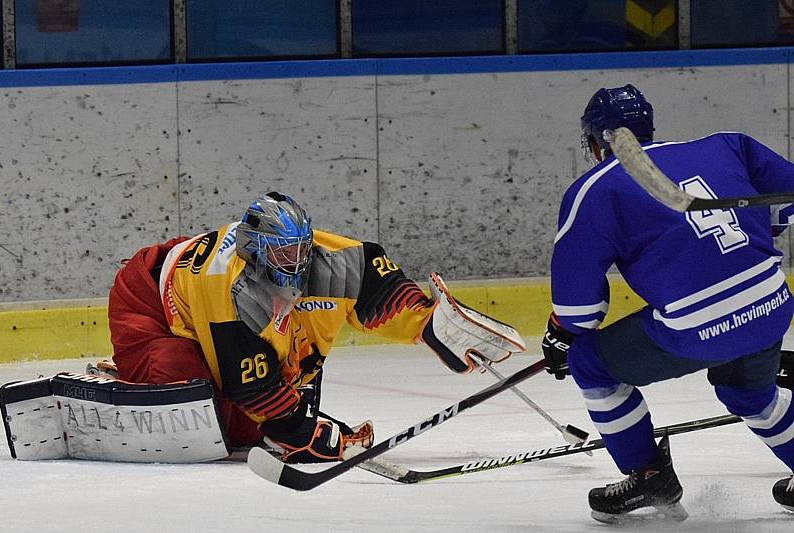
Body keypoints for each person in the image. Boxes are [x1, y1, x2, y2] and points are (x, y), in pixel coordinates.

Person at [105, 191, 523, 464]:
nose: (300, 265)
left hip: (202, 303)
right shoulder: (228, 291)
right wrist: (298, 430)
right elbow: (250, 386)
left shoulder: (322, 259)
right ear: (254, 253)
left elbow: (372, 277)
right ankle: (130, 375)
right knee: (197, 404)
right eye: (286, 256)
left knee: (263, 405)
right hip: (148, 303)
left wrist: (429, 324)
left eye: (302, 251)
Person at [542, 84, 794, 521]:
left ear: (594, 141)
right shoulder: (726, 145)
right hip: (770, 300)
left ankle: (647, 474)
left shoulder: (592, 190)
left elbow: (577, 310)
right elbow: (786, 198)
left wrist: (563, 336)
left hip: (698, 326)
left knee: (590, 363)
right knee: (750, 394)